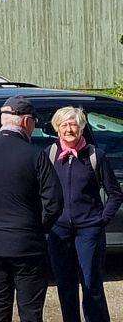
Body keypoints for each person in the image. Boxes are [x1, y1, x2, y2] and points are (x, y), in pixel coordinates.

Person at [0, 96, 63, 322]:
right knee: (31, 311)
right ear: (26, 121)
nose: (34, 126)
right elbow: (54, 201)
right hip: (28, 246)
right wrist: (38, 227)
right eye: (34, 121)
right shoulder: (36, 154)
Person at [45, 105, 122, 322]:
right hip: (59, 231)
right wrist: (47, 220)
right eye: (64, 125)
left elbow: (115, 194)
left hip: (89, 230)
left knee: (91, 284)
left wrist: (101, 220)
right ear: (57, 129)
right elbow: (40, 192)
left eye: (74, 124)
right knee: (65, 284)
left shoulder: (95, 155)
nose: (69, 129)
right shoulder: (49, 155)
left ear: (81, 127)